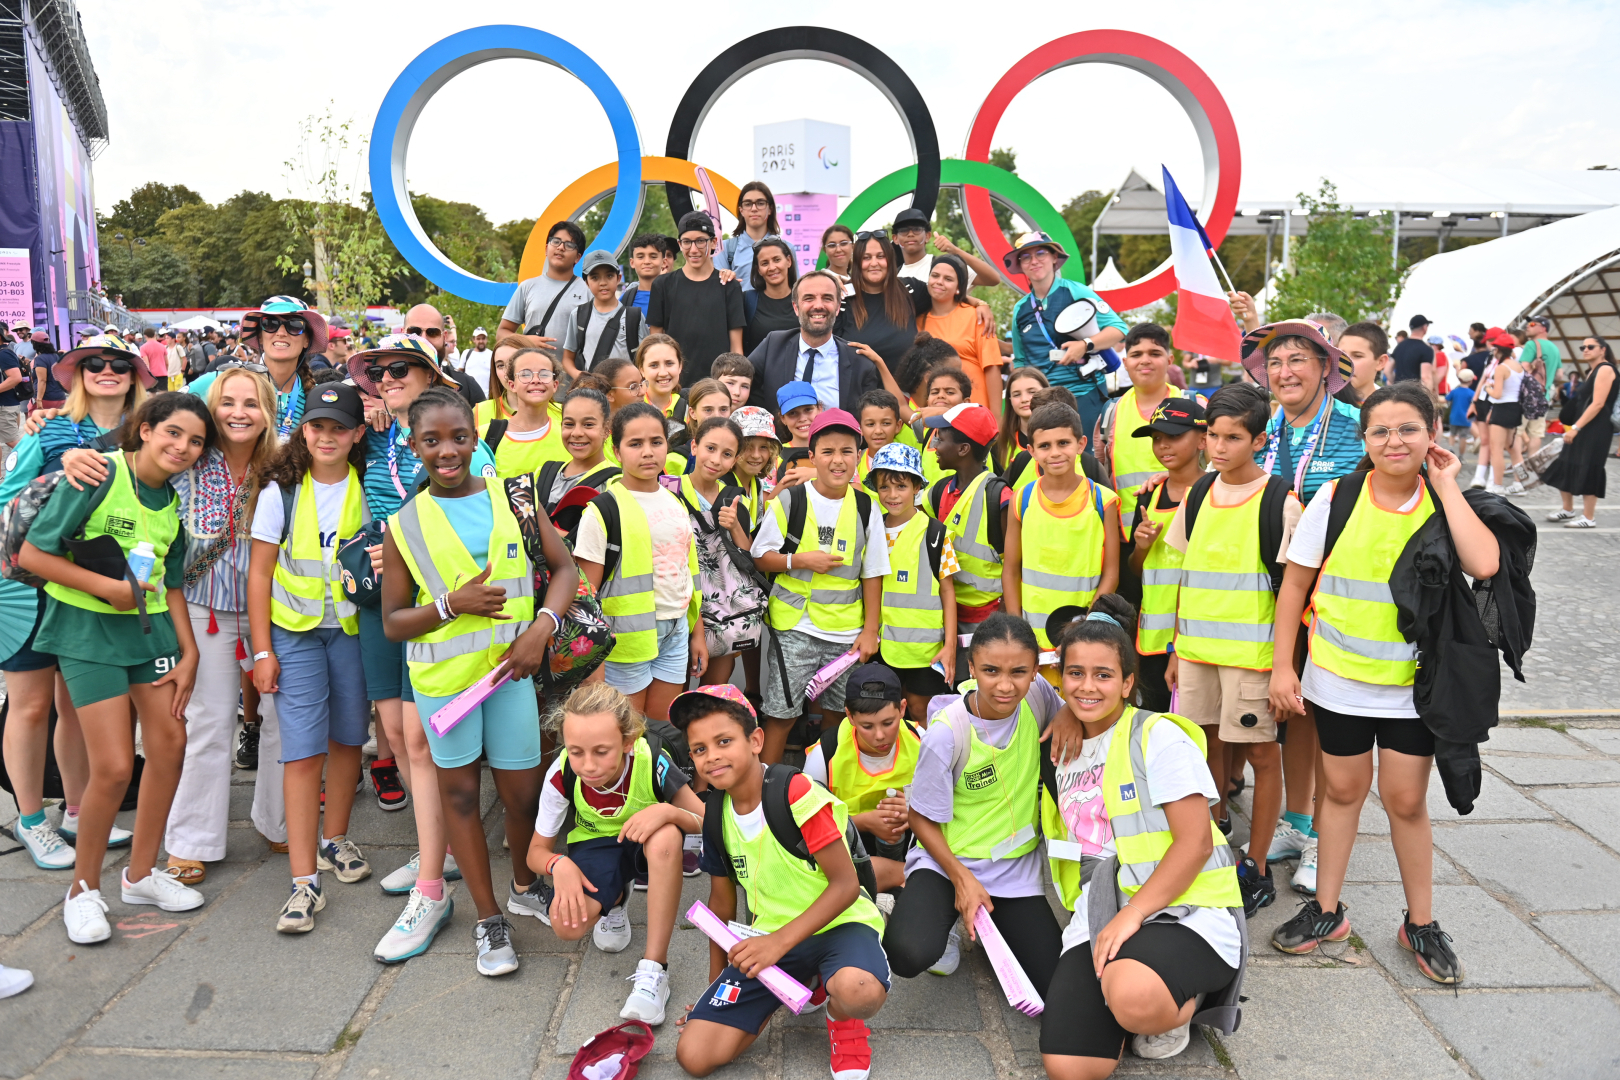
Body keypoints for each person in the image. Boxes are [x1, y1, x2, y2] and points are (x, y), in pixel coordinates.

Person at [1268, 383, 1495, 985]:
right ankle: (1325, 911)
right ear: (1364, 440)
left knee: (1405, 800)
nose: (1394, 441)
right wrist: (1283, 667)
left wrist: (1447, 486)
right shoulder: (1337, 498)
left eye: (1408, 429)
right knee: (1339, 793)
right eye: (1380, 431)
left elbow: (1487, 563)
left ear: (1431, 435)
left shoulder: (1444, 500)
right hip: (1338, 681)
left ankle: (1419, 923)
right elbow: (1294, 586)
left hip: (1412, 690)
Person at [381, 385, 577, 976]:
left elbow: (564, 568)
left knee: (522, 795)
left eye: (459, 438)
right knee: (462, 796)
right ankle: (489, 919)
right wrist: (450, 604)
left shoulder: (514, 497)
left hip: (510, 674)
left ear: (476, 439)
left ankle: (522, 883)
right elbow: (393, 622)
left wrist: (542, 626)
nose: (447, 451)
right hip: (445, 685)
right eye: (432, 441)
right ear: (413, 446)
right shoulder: (403, 523)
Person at [19, 393, 215, 942]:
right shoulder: (99, 475)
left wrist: (190, 649)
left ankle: (141, 874)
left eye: (196, 441)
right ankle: (82, 890)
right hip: (85, 632)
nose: (183, 447)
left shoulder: (173, 503)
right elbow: (33, 555)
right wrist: (108, 588)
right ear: (146, 429)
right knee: (111, 768)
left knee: (171, 745)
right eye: (173, 433)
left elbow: (172, 585)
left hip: (150, 635)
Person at [1039, 597, 1244, 1073]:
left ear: (1129, 683)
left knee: (1132, 997)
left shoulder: (1158, 736)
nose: (1087, 686)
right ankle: (1135, 990)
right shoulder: (1059, 742)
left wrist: (1133, 913)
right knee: (1068, 1067)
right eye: (1075, 673)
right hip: (1101, 910)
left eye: (1104, 675)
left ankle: (1191, 1002)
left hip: (1187, 907)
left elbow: (1194, 842)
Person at [346, 335, 498, 958]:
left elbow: (483, 526)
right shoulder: (376, 433)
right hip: (381, 599)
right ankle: (432, 852)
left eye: (400, 368)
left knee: (424, 739)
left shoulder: (464, 445)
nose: (387, 378)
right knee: (401, 734)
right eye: (377, 371)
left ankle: (433, 883)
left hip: (446, 614)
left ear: (432, 375)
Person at [673, 685, 888, 1080]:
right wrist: (715, 986)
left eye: (724, 741)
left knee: (859, 990)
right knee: (695, 1056)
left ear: (756, 740)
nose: (712, 756)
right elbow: (721, 904)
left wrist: (777, 944)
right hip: (771, 936)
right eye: (700, 749)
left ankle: (842, 1017)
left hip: (839, 923)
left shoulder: (796, 792)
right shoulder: (715, 813)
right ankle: (799, 982)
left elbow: (844, 886)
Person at [0, 333, 151, 877]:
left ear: (135, 374)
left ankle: (80, 809)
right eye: (94, 363)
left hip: (90, 585)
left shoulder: (145, 434)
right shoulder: (46, 429)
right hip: (26, 585)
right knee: (32, 703)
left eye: (118, 364)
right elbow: (5, 500)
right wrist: (58, 469)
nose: (106, 371)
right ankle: (30, 817)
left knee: (74, 703)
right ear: (76, 373)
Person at [1161, 383, 1301, 915]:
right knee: (1203, 750)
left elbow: (1292, 589)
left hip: (1252, 660)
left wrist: (1283, 666)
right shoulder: (1197, 494)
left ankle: (1258, 864)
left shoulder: (1278, 502)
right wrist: (1177, 648)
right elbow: (1185, 576)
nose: (1219, 447)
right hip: (1197, 653)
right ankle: (1214, 840)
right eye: (1213, 436)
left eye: (1233, 438)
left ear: (1259, 440)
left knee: (1264, 757)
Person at [881, 614, 1079, 985]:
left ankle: (992, 923)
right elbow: (920, 820)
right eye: (990, 671)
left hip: (1013, 866)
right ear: (971, 668)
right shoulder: (947, 733)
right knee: (908, 953)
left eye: (1018, 672)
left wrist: (1067, 710)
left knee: (1054, 984)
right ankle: (945, 915)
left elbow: (1085, 707)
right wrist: (962, 880)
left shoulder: (1038, 698)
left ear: (1036, 670)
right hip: (947, 862)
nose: (1005, 685)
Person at [248, 381, 373, 932]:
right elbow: (258, 573)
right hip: (294, 637)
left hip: (350, 634)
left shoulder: (367, 486)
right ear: (303, 431)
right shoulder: (282, 490)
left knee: (348, 738)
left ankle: (335, 839)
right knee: (301, 752)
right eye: (318, 427)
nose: (327, 436)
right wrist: (261, 650)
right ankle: (304, 883)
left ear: (357, 435)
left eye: (339, 428)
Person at [526, 683, 707, 1023]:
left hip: (650, 840)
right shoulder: (561, 772)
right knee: (566, 925)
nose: (588, 765)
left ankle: (654, 970)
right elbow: (535, 851)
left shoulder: (651, 759)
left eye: (601, 751)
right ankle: (615, 899)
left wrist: (668, 812)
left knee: (667, 836)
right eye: (576, 751)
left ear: (627, 742)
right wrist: (558, 865)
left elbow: (707, 821)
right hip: (596, 844)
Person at [750, 409, 887, 764]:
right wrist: (800, 560)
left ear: (859, 457)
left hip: (846, 634)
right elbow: (761, 556)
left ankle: (825, 792)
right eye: (827, 452)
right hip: (794, 627)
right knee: (781, 715)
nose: (837, 460)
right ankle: (767, 791)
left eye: (846, 451)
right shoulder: (791, 500)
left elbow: (872, 572)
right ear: (812, 457)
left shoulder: (865, 506)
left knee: (837, 720)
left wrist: (870, 630)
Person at [574, 402, 705, 719]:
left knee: (661, 732)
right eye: (635, 444)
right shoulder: (602, 510)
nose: (648, 452)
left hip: (675, 633)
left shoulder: (674, 501)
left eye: (656, 442)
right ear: (616, 451)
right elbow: (585, 597)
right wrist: (595, 662)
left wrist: (697, 633)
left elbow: (688, 573)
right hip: (624, 643)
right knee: (626, 731)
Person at [1002, 403, 1121, 649]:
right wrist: (1017, 629)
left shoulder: (1103, 501)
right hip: (1031, 636)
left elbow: (1111, 574)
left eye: (1063, 443)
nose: (1055, 453)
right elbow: (1011, 570)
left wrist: (1085, 625)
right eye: (1044, 446)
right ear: (1031, 451)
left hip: (1083, 635)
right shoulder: (1022, 499)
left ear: (1081, 444)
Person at [801, 662, 919, 899]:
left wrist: (912, 812)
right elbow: (805, 826)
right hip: (846, 850)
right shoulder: (826, 753)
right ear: (849, 716)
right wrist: (863, 822)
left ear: (903, 708)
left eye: (888, 723)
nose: (879, 735)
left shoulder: (922, 741)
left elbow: (948, 805)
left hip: (908, 841)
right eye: (867, 726)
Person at [1125, 399, 1208, 713]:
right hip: (1152, 642)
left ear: (1202, 439)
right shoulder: (1148, 494)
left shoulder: (1214, 491)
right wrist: (1142, 547)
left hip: (1196, 639)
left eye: (1173, 437)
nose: (1162, 446)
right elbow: (1135, 569)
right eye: (1157, 438)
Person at [1007, 232, 1128, 441]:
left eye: (1041, 253)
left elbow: (1119, 329)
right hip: (1041, 404)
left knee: (1089, 460)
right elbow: (1020, 361)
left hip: (1084, 395)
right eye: (1026, 257)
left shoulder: (1076, 292)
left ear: (1055, 258)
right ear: (1020, 265)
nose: (1034, 261)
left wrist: (1085, 344)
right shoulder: (1020, 309)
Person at [867, 443, 956, 721]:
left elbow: (947, 590)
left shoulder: (935, 533)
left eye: (901, 486)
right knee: (887, 714)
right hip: (883, 648)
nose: (892, 495)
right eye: (884, 487)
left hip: (925, 652)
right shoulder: (872, 529)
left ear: (917, 486)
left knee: (921, 712)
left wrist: (950, 644)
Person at [1093, 323, 1198, 528]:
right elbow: (1099, 475)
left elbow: (1218, 468)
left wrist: (1179, 477)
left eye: (1154, 353)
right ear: (1125, 362)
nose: (1145, 360)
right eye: (1136, 354)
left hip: (1187, 530)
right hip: (1127, 536)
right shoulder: (1111, 413)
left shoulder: (1195, 405)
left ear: (1169, 361)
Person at [922, 402, 1007, 650]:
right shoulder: (939, 491)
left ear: (963, 449)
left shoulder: (998, 498)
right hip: (946, 616)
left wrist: (1002, 624)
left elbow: (1016, 567)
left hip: (988, 624)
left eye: (941, 439)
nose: (934, 446)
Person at [746, 270, 880, 417]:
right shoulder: (773, 345)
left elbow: (871, 420)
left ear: (837, 308)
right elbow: (737, 381)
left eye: (827, 298)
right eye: (809, 298)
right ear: (796, 308)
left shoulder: (859, 363)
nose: (818, 305)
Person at [190, 297, 324, 439]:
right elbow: (170, 413)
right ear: (260, 337)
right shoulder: (222, 381)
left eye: (295, 325)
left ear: (306, 340)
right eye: (271, 324)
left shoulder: (318, 397)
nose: (281, 333)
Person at [649, 211, 746, 387]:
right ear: (679, 244)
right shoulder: (662, 285)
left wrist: (734, 384)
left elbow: (736, 349)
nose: (694, 249)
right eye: (687, 242)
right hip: (674, 385)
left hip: (717, 387)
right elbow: (655, 344)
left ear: (714, 242)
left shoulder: (729, 285)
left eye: (701, 241)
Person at [1543, 338, 1617, 528]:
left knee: (1590, 467)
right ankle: (1567, 509)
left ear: (1603, 350)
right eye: (1582, 347)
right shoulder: (1592, 370)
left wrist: (1576, 428)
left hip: (1597, 428)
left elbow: (1598, 403)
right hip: (1585, 425)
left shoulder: (1605, 369)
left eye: (1590, 347)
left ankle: (1588, 517)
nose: (1585, 350)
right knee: (1567, 462)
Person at [918, 253, 1003, 413]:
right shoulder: (916, 321)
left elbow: (992, 368)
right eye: (935, 276)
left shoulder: (977, 316)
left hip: (975, 408)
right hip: (935, 413)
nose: (939, 282)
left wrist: (996, 417)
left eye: (948, 279)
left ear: (959, 287)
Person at [496, 220, 593, 351]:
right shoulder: (527, 287)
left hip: (572, 371)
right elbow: (502, 332)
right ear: (547, 249)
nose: (560, 247)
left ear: (578, 257)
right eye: (556, 241)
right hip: (531, 369)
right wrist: (525, 341)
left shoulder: (588, 291)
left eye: (569, 245)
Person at [479, 347, 569, 478]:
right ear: (512, 385)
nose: (536, 380)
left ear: (555, 385)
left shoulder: (569, 435)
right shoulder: (483, 436)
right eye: (525, 374)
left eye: (544, 374)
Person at [562, 250, 644, 377]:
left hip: (628, 391)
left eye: (609, 276)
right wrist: (579, 376)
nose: (603, 283)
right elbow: (567, 358)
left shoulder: (634, 317)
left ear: (618, 278)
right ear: (586, 282)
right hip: (595, 391)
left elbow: (647, 357)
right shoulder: (578, 315)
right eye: (595, 277)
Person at [539, 388, 621, 514]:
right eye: (569, 424)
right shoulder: (543, 474)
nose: (577, 433)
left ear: (606, 429)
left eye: (588, 424)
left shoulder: (614, 483)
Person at [891, 207, 1002, 288]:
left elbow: (993, 279)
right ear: (895, 238)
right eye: (903, 230)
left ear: (927, 236)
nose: (910, 234)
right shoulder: (893, 277)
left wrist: (955, 251)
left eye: (917, 229)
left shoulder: (944, 266)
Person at [714, 181, 780, 293]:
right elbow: (717, 292)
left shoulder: (786, 248)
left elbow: (795, 292)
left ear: (770, 209)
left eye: (760, 203)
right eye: (748, 204)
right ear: (741, 210)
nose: (754, 208)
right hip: (739, 310)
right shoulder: (725, 248)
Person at [1483, 330, 1527, 495]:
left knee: (1497, 450)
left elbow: (1498, 394)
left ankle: (1498, 485)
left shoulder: (1501, 368)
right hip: (1515, 408)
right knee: (1513, 448)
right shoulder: (1518, 366)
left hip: (1501, 409)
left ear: (1499, 350)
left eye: (1495, 349)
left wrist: (1488, 388)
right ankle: (1520, 484)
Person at [994, 367, 1050, 490]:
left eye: (1032, 392)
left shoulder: (1066, 437)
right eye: (1016, 394)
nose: (1024, 399)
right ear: (1010, 400)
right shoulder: (999, 445)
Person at [742, 237, 800, 354]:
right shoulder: (747, 300)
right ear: (758, 270)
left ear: (789, 261)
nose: (772, 267)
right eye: (765, 263)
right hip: (757, 371)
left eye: (777, 260)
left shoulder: (804, 300)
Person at [1519, 315, 1560, 450]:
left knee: (1518, 432)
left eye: (1532, 325)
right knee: (1536, 434)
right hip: (1544, 397)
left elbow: (1523, 368)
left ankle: (1517, 466)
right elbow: (1559, 375)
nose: (1527, 326)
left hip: (1526, 397)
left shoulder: (1531, 344)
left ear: (1543, 328)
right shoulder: (1555, 348)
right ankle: (1531, 467)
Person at [1335, 322, 1388, 407]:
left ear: (1381, 362)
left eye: (1357, 356)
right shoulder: (1321, 403)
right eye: (1341, 355)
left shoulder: (1390, 408)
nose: (1346, 363)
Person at [624, 233, 667, 319]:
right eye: (640, 257)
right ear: (632, 263)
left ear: (664, 262)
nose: (647, 261)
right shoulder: (625, 299)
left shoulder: (675, 296)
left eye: (653, 257)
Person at [1390, 314, 1436, 393]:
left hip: (1397, 393)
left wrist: (1395, 384)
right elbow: (1425, 378)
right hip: (1413, 395)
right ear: (1424, 327)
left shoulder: (1400, 346)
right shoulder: (1426, 349)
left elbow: (1387, 370)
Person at [0, 326, 24, 479]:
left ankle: (40, 465)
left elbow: (16, 378)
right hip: (5, 404)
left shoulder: (4, 354)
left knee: (13, 441)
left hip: (5, 406)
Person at [820, 224, 858, 298]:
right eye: (832, 245)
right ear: (825, 250)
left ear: (853, 247)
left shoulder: (857, 281)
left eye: (843, 244)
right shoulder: (819, 280)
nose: (838, 250)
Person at [1445, 369, 1476, 455]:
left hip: (1454, 417)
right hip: (1466, 419)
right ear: (1470, 381)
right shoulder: (1472, 393)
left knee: (1452, 434)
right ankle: (1461, 456)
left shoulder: (1455, 391)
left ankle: (1451, 448)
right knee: (1463, 437)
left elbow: (1446, 399)